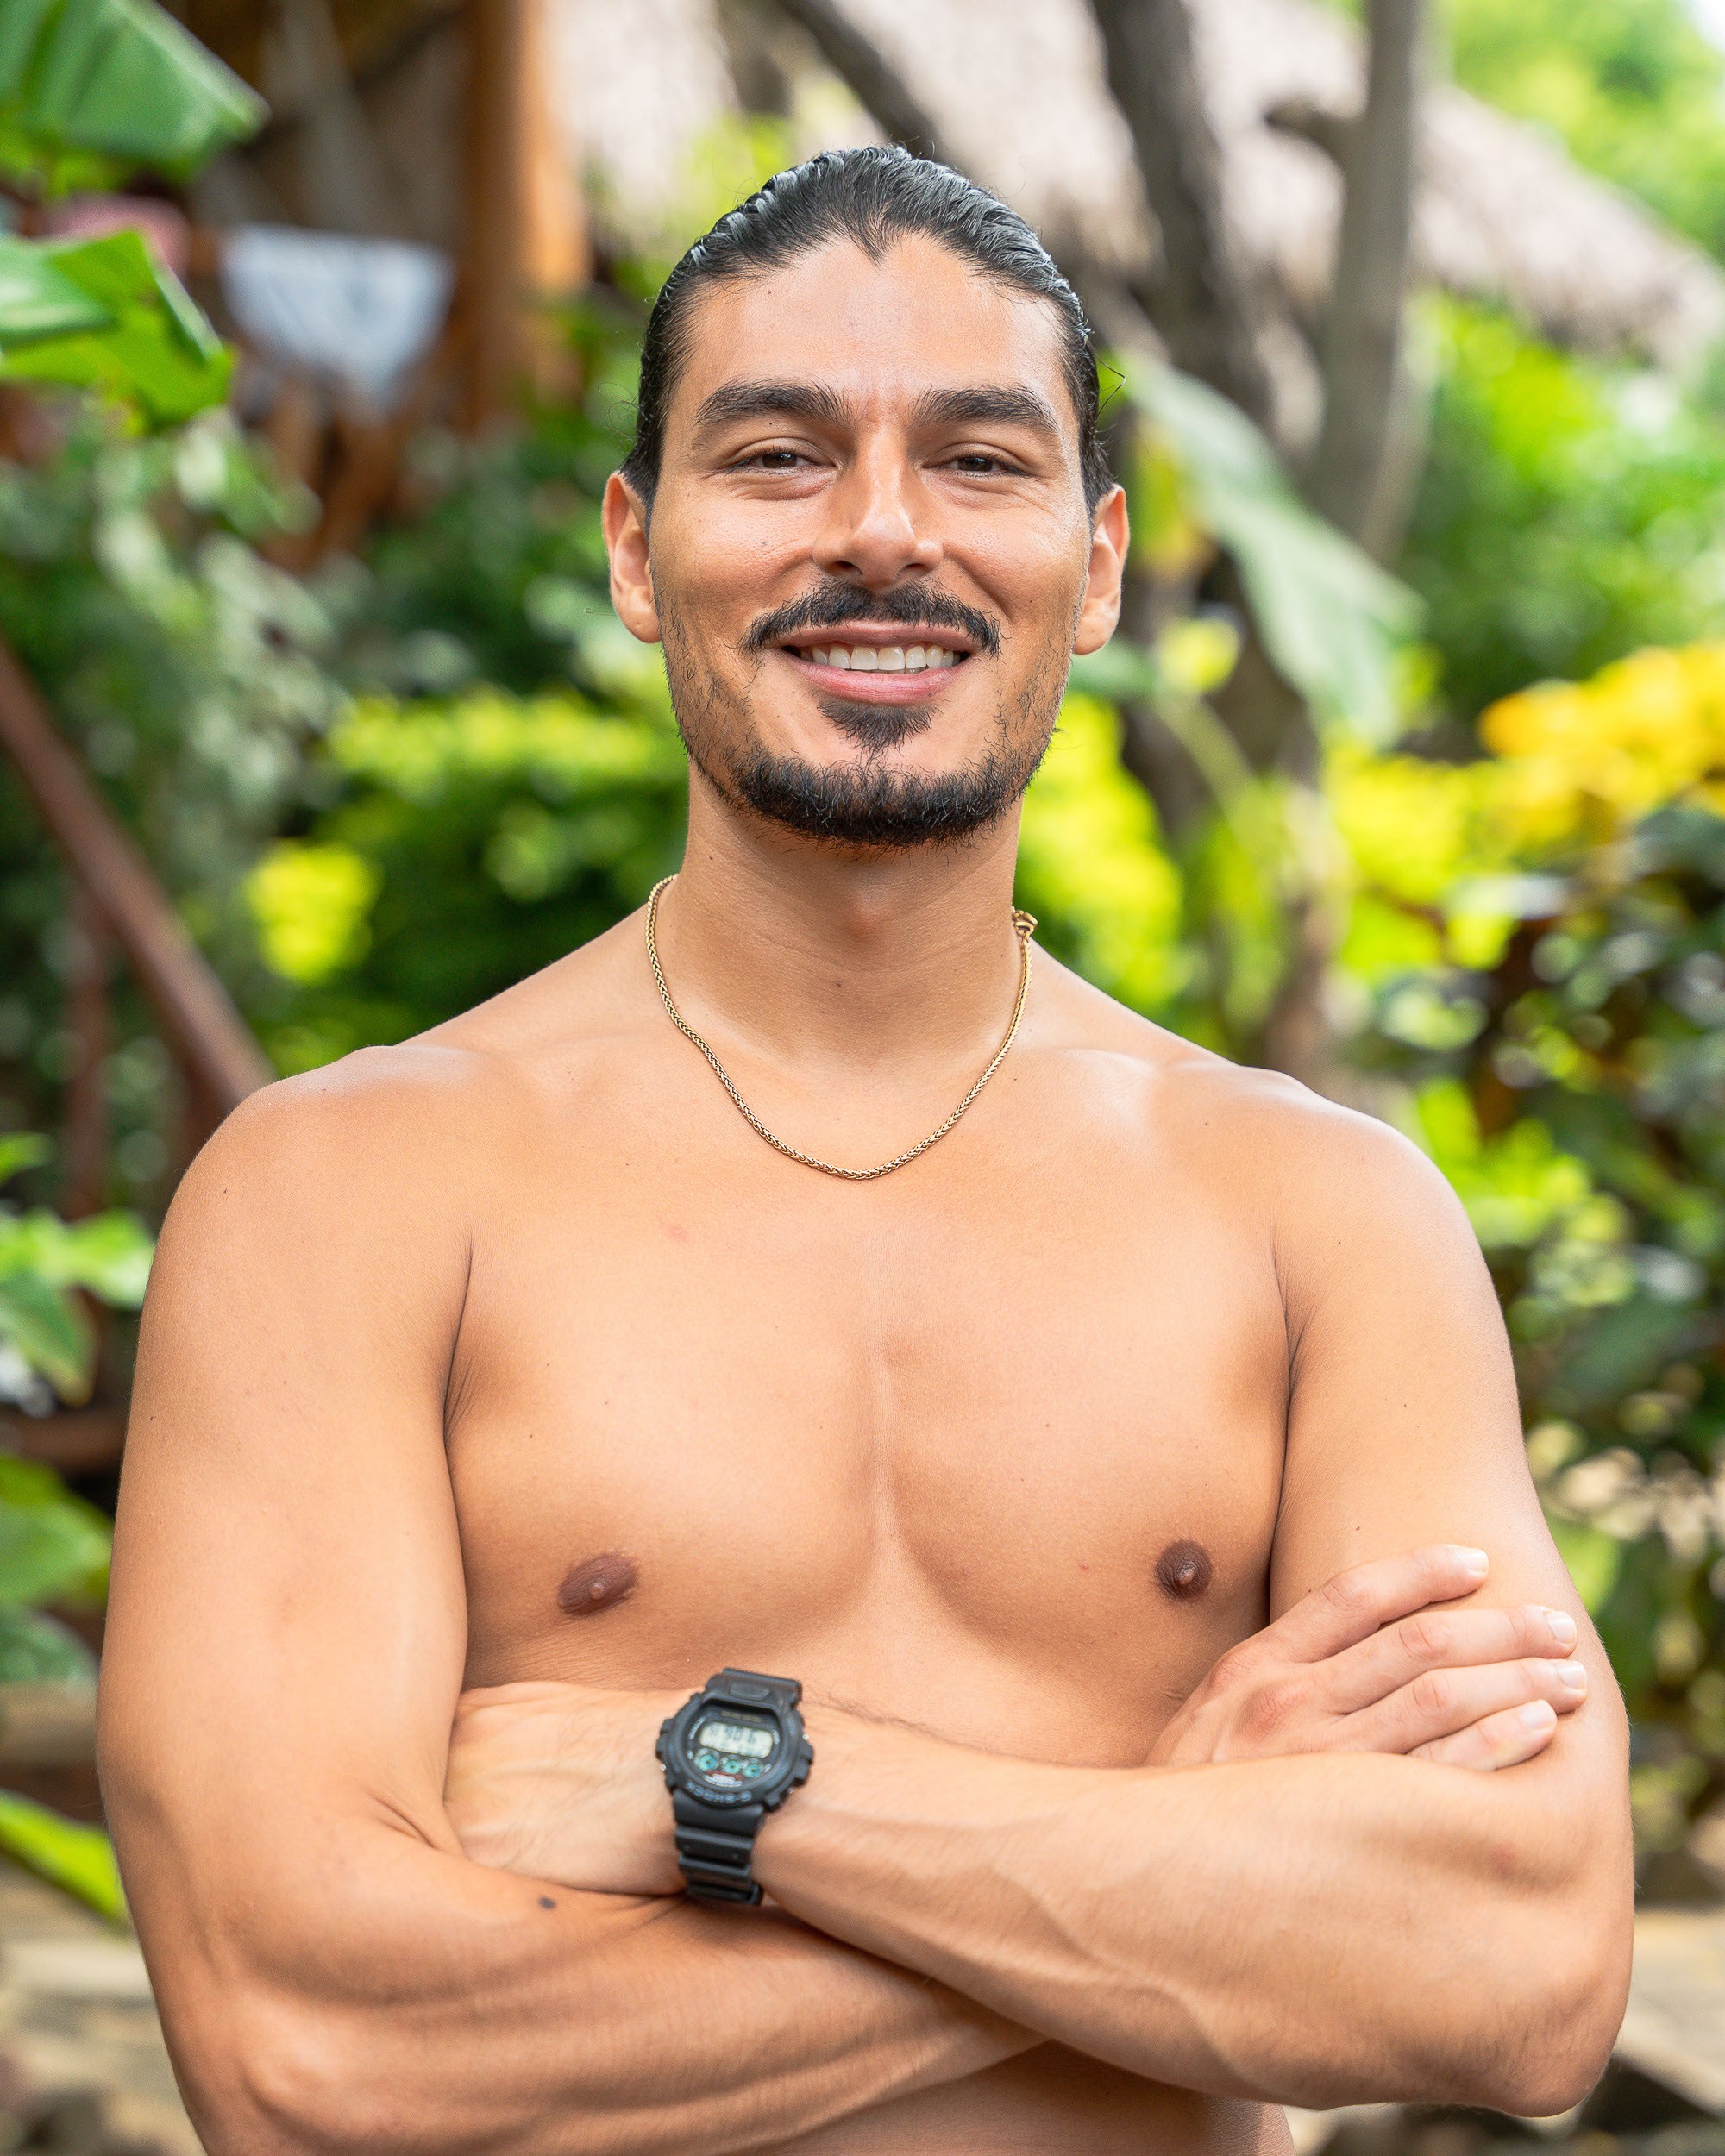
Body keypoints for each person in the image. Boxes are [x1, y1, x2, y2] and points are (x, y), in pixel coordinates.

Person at [98, 149, 1632, 2156]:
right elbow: (309, 2050)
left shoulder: (1317, 1221)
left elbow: (1516, 1969)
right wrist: (1183, 1863)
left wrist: (710, 1783)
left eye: (978, 460)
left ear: (1094, 565)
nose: (884, 532)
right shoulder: (353, 1197)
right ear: (642, 550)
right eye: (781, 455)